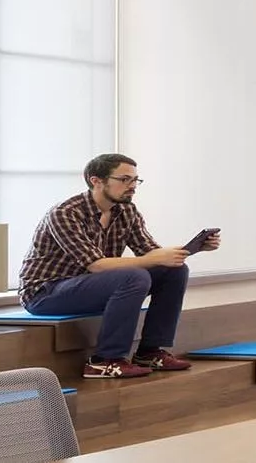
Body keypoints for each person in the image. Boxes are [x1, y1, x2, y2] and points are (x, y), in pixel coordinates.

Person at [18, 153, 220, 379]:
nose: (132, 186)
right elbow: (96, 265)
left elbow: (150, 253)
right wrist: (154, 259)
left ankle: (150, 352)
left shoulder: (127, 211)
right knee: (134, 277)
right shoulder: (66, 213)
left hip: (89, 286)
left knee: (174, 271)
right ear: (96, 181)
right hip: (46, 292)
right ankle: (105, 360)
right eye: (124, 180)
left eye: (135, 180)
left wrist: (192, 249)